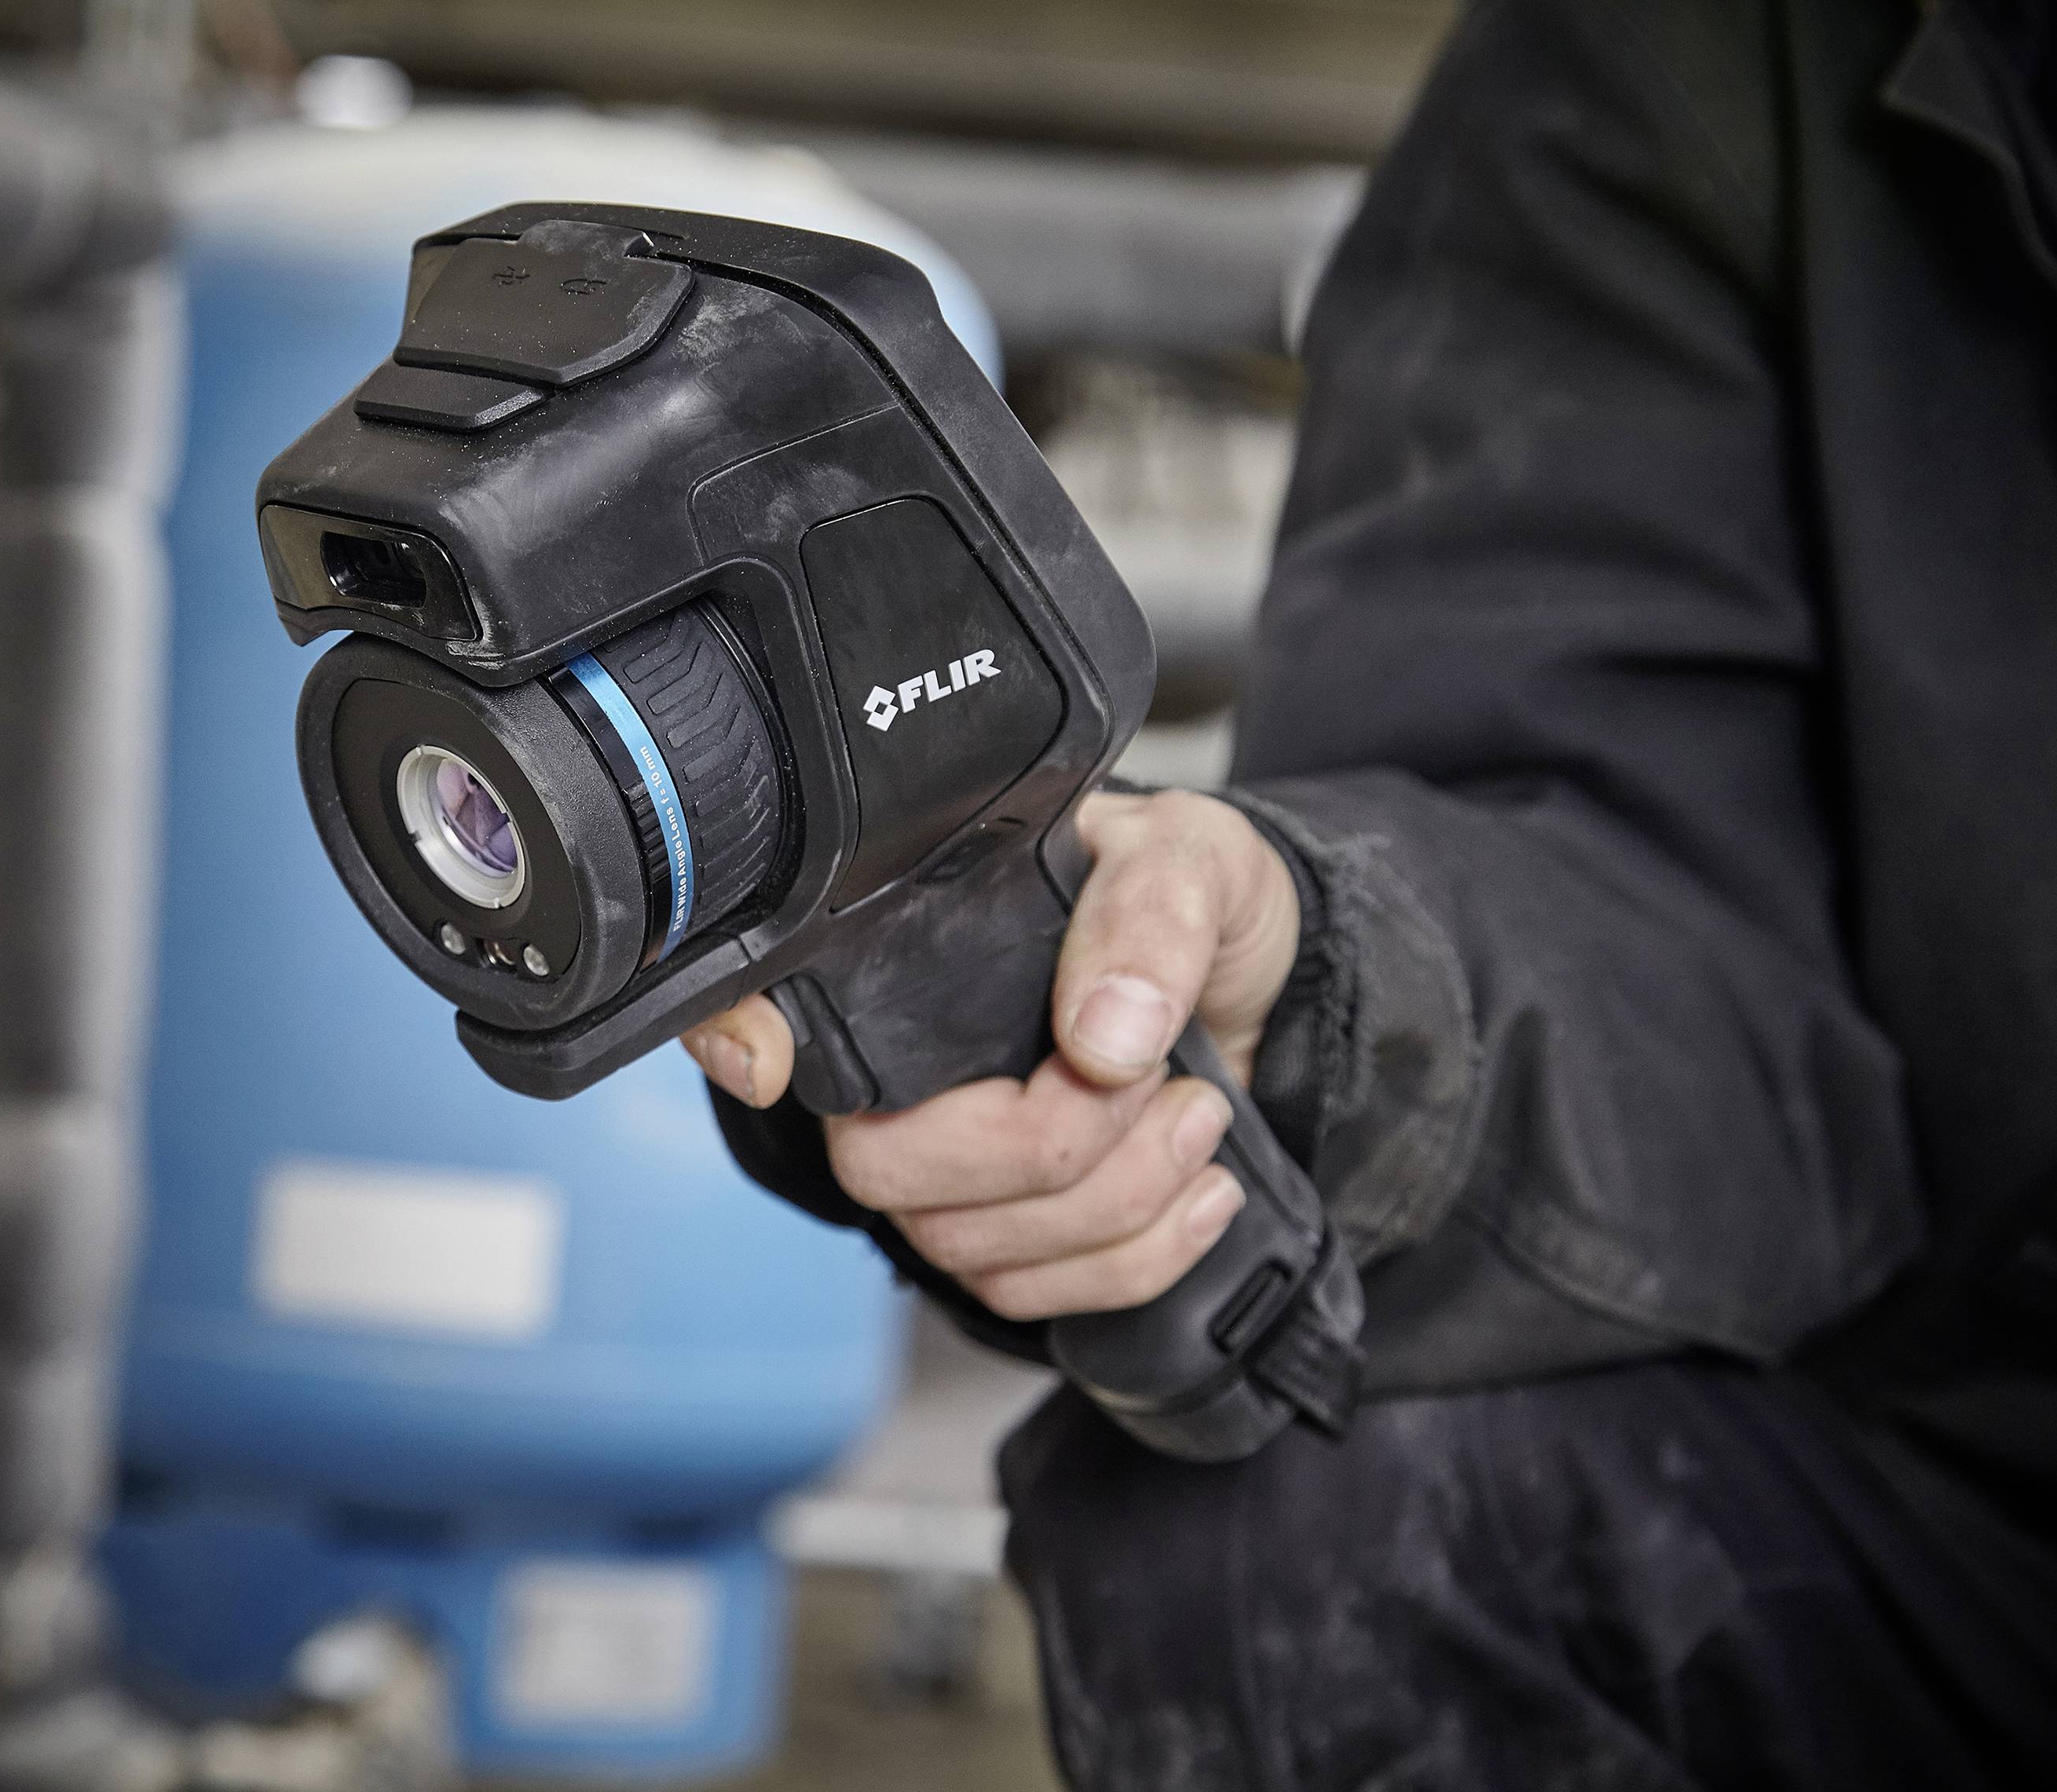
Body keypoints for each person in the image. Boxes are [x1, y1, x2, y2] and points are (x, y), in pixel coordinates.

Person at [686, 0, 2057, 1783]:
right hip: (1983, 1497)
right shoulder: (1702, 59)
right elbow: (1666, 917)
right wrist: (1317, 983)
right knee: (1277, 1523)